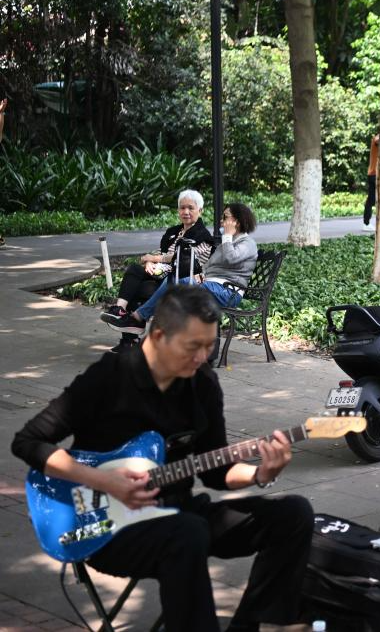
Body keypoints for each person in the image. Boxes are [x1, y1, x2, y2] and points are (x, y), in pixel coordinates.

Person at [11, 286, 313, 631]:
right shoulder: (109, 377)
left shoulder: (202, 384)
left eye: (209, 346)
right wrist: (103, 480)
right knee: (188, 533)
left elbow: (217, 474)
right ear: (158, 335)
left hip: (180, 513)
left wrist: (262, 474)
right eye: (193, 347)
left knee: (293, 514)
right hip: (106, 529)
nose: (202, 357)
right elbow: (27, 442)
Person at [105, 203, 258, 336]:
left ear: (236, 222)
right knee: (173, 279)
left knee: (179, 285)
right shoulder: (228, 242)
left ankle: (137, 319)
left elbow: (230, 259)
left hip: (228, 292)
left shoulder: (247, 243)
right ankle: (139, 323)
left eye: (225, 217)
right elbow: (211, 265)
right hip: (213, 286)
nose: (221, 221)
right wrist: (201, 275)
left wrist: (227, 236)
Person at [102, 189, 215, 352]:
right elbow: (159, 252)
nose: (186, 212)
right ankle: (119, 310)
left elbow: (183, 257)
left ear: (200, 210)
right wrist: (149, 261)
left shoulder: (203, 236)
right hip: (160, 274)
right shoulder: (173, 232)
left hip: (179, 278)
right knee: (135, 270)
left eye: (191, 208)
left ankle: (131, 335)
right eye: (182, 208)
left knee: (139, 288)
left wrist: (154, 258)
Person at [363, 133, 380, 232]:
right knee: (371, 200)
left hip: (378, 174)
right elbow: (377, 140)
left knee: (377, 199)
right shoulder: (377, 138)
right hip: (374, 174)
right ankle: (366, 223)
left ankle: (368, 222)